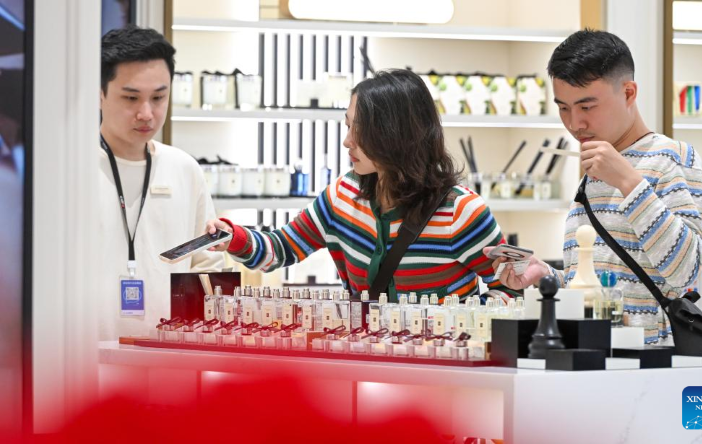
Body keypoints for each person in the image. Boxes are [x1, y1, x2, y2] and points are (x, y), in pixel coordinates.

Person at [207, 69, 513, 302]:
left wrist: (457, 324)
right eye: (348, 125)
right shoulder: (342, 196)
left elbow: (509, 291)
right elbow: (281, 249)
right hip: (365, 362)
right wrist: (232, 237)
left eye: (360, 129)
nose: (347, 141)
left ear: (396, 134)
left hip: (441, 366)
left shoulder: (461, 211)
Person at [490, 30, 702, 345]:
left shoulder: (674, 158)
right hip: (592, 356)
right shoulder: (595, 171)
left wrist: (629, 183)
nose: (574, 123)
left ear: (629, 93)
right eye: (564, 108)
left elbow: (686, 273)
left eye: (587, 107)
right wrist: (546, 277)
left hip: (652, 361)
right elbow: (605, 286)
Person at [98, 25, 223, 340]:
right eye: (131, 98)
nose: (146, 113)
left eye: (158, 97)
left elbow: (206, 265)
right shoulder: (67, 171)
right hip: (81, 356)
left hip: (170, 356)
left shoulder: (184, 169)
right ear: (99, 93)